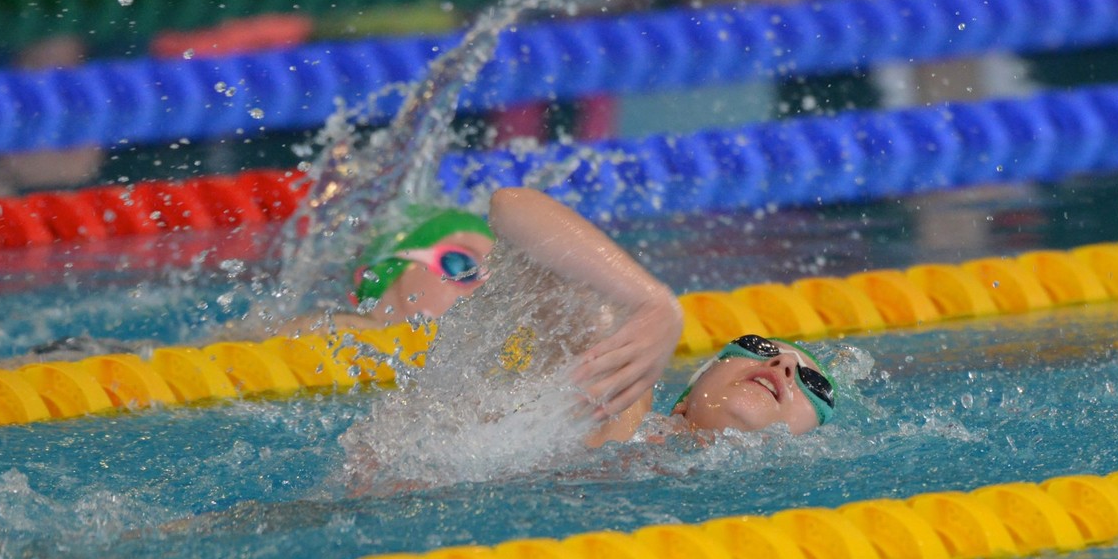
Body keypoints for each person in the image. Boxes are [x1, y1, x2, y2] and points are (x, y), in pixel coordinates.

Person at [312, 185, 838, 446]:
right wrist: (653, 303)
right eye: (758, 347)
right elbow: (511, 205)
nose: (783, 367)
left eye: (814, 383)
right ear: (684, 398)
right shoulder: (616, 396)